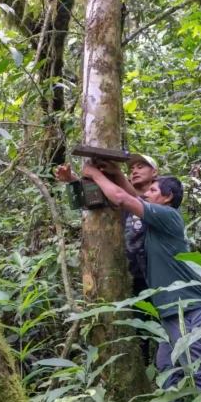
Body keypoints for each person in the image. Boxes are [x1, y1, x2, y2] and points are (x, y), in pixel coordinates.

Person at [79, 161, 201, 402]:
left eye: (153, 191)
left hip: (188, 307)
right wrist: (116, 174)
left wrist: (94, 173)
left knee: (199, 368)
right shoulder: (156, 220)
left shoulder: (168, 217)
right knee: (167, 366)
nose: (146, 194)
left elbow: (123, 198)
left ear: (167, 198)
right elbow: (134, 196)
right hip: (170, 311)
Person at [54, 155, 159, 362]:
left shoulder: (160, 199)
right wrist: (74, 180)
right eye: (132, 168)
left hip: (157, 276)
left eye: (142, 166)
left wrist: (101, 173)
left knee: (167, 328)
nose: (135, 170)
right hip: (132, 276)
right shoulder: (122, 195)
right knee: (138, 332)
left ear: (155, 173)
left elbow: (126, 197)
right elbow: (104, 196)